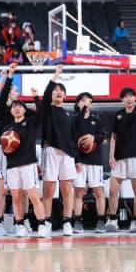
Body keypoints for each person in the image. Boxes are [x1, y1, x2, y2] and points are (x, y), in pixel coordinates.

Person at [107, 81, 136, 233]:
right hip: (120, 156)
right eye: (126, 97)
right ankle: (113, 220)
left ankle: (135, 221)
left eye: (132, 96)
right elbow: (113, 136)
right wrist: (111, 155)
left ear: (135, 98)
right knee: (113, 190)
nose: (129, 99)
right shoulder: (118, 114)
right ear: (122, 100)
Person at [41, 65, 81, 236]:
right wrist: (56, 75)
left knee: (67, 190)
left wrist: (77, 159)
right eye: (55, 90)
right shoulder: (47, 109)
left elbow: (73, 139)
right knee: (49, 190)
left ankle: (67, 222)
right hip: (50, 151)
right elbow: (45, 95)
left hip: (68, 155)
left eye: (61, 91)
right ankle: (46, 222)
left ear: (65, 95)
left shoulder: (69, 115)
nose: (58, 92)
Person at [3, 88, 48, 238]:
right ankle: (20, 225)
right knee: (16, 198)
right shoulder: (7, 128)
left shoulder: (30, 122)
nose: (16, 108)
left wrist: (36, 97)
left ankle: (42, 225)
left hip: (28, 164)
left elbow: (41, 113)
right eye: (14, 107)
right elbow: (4, 149)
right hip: (12, 166)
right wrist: (6, 151)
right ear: (10, 111)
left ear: (24, 110)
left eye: (20, 106)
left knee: (34, 196)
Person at [0, 64, 22, 236]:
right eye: (15, 90)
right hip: (3, 152)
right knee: (2, 190)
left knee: (19, 191)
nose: (17, 92)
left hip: (19, 153)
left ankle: (20, 222)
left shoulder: (21, 109)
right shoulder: (2, 108)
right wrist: (8, 77)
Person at [72, 93, 108, 234]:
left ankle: (101, 221)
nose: (85, 103)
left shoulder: (96, 120)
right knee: (78, 192)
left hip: (95, 161)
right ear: (78, 104)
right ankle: (77, 222)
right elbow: (72, 141)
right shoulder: (74, 120)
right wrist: (76, 160)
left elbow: (103, 136)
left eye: (87, 101)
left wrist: (94, 137)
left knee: (98, 191)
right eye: (81, 101)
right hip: (79, 160)